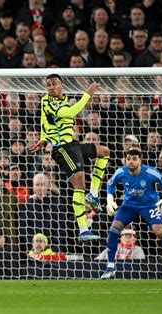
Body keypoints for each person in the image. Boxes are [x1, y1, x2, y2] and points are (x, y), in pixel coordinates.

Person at [30, 74, 110, 242]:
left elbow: (45, 121)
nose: (51, 87)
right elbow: (70, 112)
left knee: (104, 151)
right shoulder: (48, 102)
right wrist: (87, 94)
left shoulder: (63, 99)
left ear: (62, 85)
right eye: (48, 85)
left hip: (73, 144)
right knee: (79, 180)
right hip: (61, 148)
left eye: (54, 84)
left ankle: (94, 193)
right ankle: (83, 229)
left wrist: (43, 138)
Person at [102, 148, 162, 279]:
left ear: (140, 160)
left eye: (134, 159)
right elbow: (110, 184)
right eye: (128, 159)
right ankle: (110, 266)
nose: (131, 162)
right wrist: (109, 200)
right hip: (129, 205)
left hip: (149, 205)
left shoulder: (150, 172)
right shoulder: (121, 171)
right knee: (114, 229)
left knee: (160, 232)